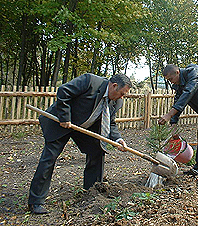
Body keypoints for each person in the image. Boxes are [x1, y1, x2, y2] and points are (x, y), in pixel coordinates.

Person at [28, 73, 132, 214]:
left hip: (83, 128)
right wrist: (64, 116)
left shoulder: (116, 101)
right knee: (49, 159)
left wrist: (118, 139)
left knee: (97, 151)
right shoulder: (90, 81)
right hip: (61, 123)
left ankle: (92, 193)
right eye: (121, 93)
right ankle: (36, 202)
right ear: (114, 86)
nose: (122, 97)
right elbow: (64, 91)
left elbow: (111, 123)